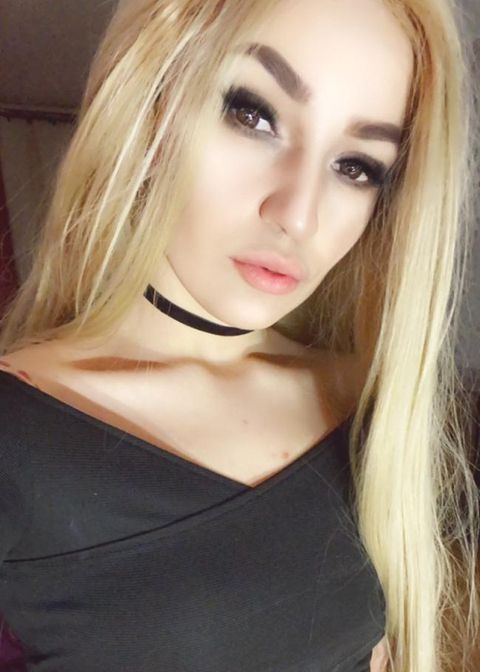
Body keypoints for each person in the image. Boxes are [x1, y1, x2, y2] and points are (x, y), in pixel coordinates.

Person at [0, 0, 478, 670]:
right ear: (154, 101)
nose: (298, 215)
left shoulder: (374, 407)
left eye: (357, 166)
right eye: (253, 115)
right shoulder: (19, 433)